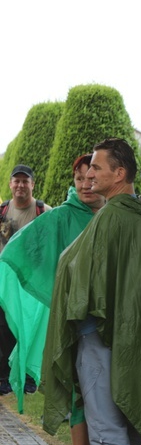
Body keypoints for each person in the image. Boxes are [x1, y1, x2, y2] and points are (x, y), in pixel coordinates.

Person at [42, 138, 141, 445]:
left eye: (96, 167)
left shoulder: (113, 219)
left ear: (119, 173)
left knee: (109, 431)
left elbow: (83, 280)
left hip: (101, 339)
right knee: (129, 423)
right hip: (135, 341)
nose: (89, 174)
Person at [0, 154, 105, 445]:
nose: (85, 185)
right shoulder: (59, 217)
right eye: (79, 179)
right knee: (77, 388)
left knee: (102, 392)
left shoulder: (113, 216)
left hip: (107, 319)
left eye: (91, 178)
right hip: (73, 321)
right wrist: (50, 291)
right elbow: (20, 251)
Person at [0, 164, 52, 395]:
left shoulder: (44, 212)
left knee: (28, 329)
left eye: (25, 181)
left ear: (32, 184)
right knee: (4, 328)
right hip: (4, 284)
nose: (20, 185)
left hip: (31, 284)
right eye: (16, 181)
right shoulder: (2, 211)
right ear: (10, 184)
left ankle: (29, 377)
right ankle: (5, 376)